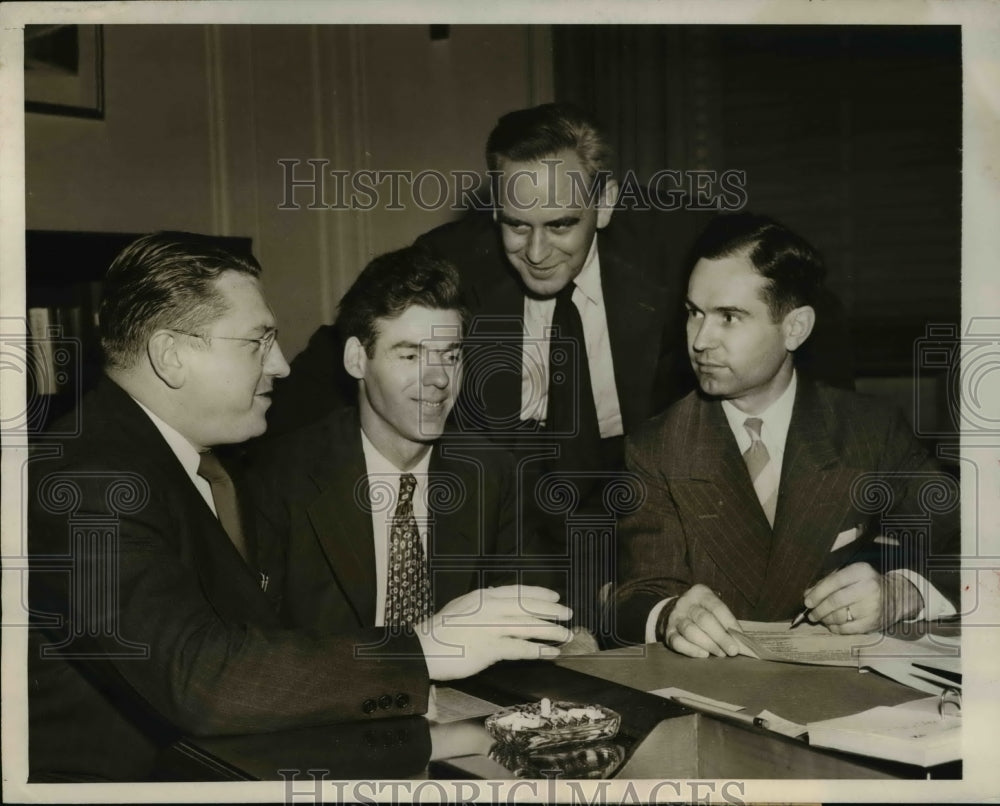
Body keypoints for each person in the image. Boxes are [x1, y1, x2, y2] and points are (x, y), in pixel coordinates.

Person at [27, 232, 569, 782]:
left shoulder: (185, 466)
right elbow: (201, 678)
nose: (282, 366)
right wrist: (423, 649)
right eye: (257, 342)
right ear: (171, 356)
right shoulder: (89, 480)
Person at [612, 213, 959, 656]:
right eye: (693, 313)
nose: (700, 340)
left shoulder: (868, 429)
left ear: (795, 328)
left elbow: (973, 543)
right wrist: (669, 615)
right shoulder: (658, 446)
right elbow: (636, 594)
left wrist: (903, 592)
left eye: (730, 317)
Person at [249, 245, 565, 634]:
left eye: (450, 356)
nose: (439, 379)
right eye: (411, 356)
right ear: (356, 359)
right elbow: (262, 651)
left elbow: (533, 615)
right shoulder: (281, 479)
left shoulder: (493, 475)